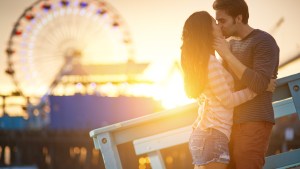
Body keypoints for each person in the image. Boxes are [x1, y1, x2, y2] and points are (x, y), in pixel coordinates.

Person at [180, 11, 272, 169]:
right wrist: (258, 88)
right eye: (214, 23)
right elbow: (228, 100)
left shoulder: (204, 62)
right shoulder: (210, 63)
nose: (219, 25)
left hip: (205, 135)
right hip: (212, 136)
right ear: (207, 31)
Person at [212, 0, 280, 168]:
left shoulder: (264, 41)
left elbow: (258, 84)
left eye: (222, 21)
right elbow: (222, 83)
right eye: (217, 22)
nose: (219, 26)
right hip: (229, 123)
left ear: (239, 18)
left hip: (254, 120)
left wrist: (227, 55)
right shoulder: (231, 45)